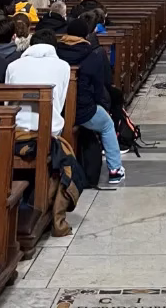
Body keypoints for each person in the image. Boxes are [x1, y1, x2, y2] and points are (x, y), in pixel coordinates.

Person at [5, 28, 85, 236]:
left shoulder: (13, 65)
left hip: (14, 132)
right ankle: (47, 205)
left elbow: (7, 103)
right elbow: (60, 102)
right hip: (47, 132)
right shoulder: (63, 66)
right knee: (65, 158)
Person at [53, 18, 125, 187]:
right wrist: (103, 107)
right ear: (86, 35)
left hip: (57, 109)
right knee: (107, 125)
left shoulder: (56, 51)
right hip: (82, 110)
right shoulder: (92, 54)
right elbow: (99, 88)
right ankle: (115, 170)